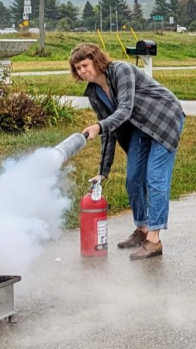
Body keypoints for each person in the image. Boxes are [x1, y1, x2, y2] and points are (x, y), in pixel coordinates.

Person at [70, 43, 186, 260]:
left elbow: (124, 110)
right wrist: (103, 172)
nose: (82, 71)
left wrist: (99, 126)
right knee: (133, 179)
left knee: (155, 178)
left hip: (164, 118)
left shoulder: (121, 70)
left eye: (85, 65)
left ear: (96, 60)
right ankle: (142, 229)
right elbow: (109, 131)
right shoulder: (94, 92)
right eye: (77, 68)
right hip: (141, 127)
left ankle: (154, 240)